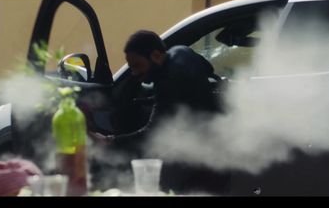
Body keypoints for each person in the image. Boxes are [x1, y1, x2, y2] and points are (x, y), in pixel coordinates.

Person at [91, 30, 230, 195]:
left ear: (155, 55)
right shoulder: (181, 51)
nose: (134, 73)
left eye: (137, 66)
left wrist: (109, 141)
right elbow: (208, 69)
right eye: (131, 67)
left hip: (202, 151)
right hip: (221, 136)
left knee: (156, 180)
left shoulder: (167, 81)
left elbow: (151, 132)